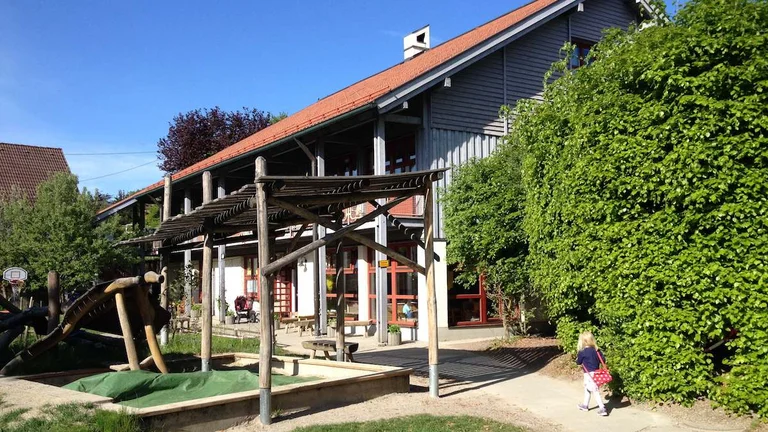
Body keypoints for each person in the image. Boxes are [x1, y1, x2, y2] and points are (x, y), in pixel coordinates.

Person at [576, 331, 608, 416]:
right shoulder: (597, 350)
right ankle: (585, 405)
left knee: (594, 390)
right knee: (588, 388)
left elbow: (578, 362)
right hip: (597, 373)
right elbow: (603, 360)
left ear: (583, 341)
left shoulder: (582, 351)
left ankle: (602, 408)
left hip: (588, 374)